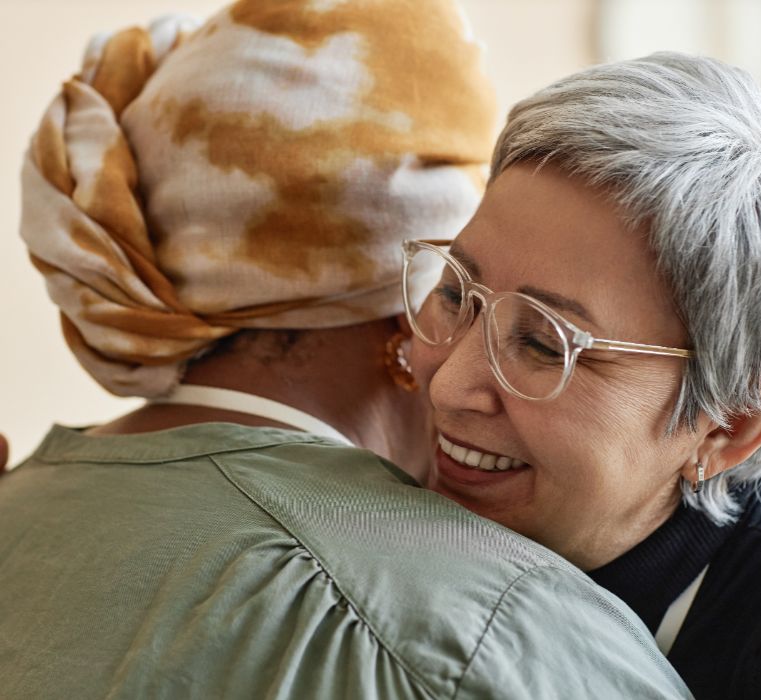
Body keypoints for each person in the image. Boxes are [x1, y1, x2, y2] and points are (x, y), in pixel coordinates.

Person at [0, 4, 691, 699]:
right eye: (456, 294)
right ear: (404, 304)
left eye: (536, 340)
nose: (460, 379)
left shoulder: (19, 507)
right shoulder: (499, 629)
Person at [404, 52, 761, 698]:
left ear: (730, 426)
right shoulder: (372, 490)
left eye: (544, 344)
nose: (447, 386)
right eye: (454, 293)